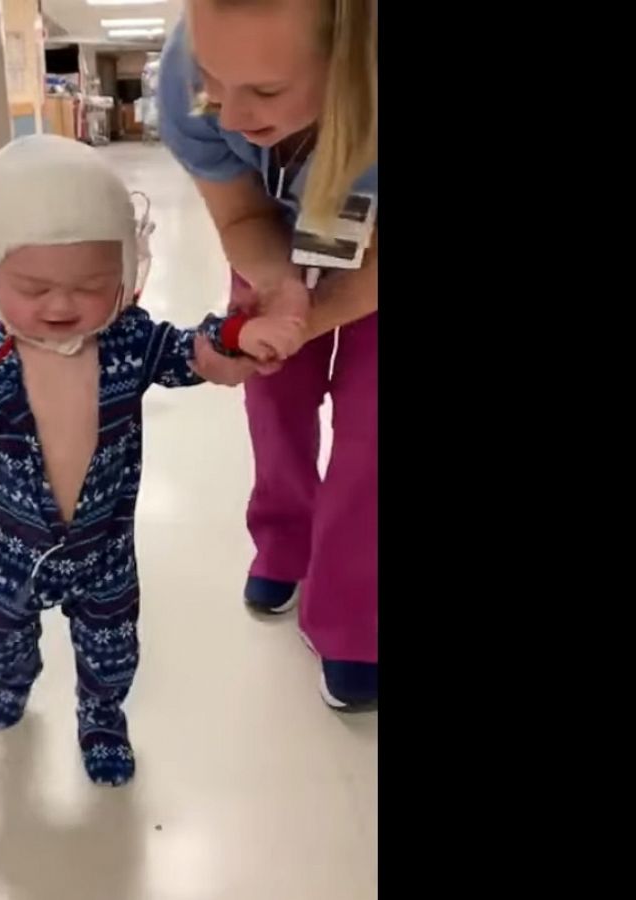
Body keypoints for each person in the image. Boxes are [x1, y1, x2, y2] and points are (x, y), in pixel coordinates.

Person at [0, 134, 305, 786]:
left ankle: (101, 717)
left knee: (111, 646)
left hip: (104, 548)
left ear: (126, 278)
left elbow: (194, 349)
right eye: (33, 286)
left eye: (93, 285)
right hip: (18, 545)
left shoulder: (130, 341)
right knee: (0, 637)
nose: (62, 305)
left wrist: (239, 335)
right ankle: (16, 678)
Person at [159, 0, 381, 710]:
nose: (228, 116)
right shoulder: (185, 76)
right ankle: (283, 541)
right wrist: (281, 296)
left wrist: (315, 318)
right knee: (274, 392)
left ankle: (353, 620)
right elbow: (241, 214)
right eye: (215, 82)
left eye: (265, 90)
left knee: (372, 427)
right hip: (276, 226)